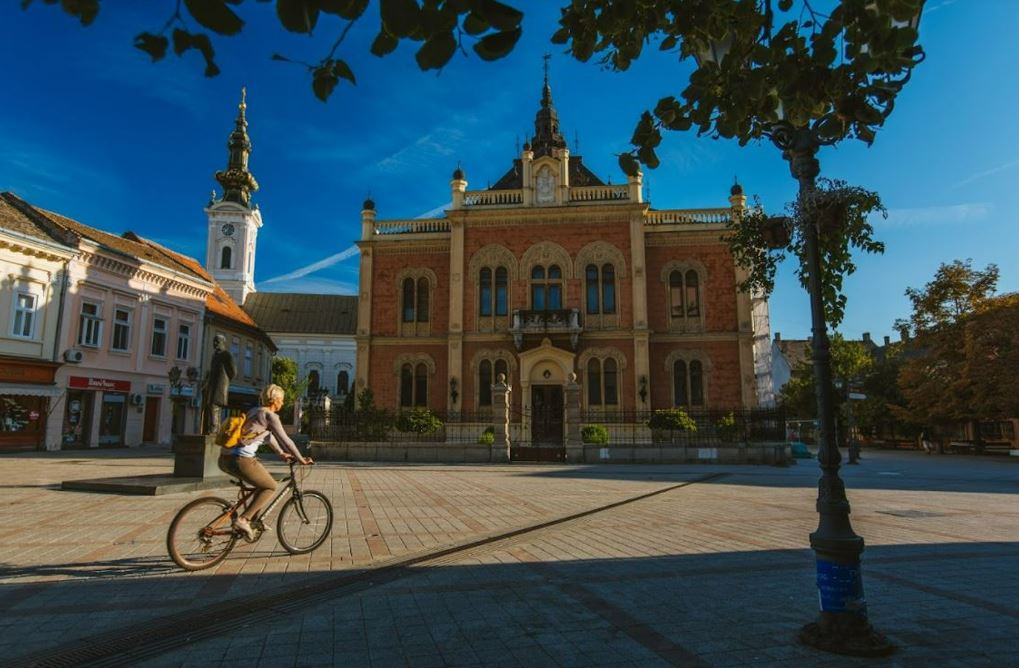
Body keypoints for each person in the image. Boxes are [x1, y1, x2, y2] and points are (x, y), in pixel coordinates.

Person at [218, 384, 313, 540]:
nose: (282, 403)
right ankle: (243, 520)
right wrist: (301, 459)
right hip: (241, 459)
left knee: (261, 482)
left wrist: (281, 453)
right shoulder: (270, 415)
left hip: (225, 458)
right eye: (281, 400)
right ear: (274, 400)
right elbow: (287, 440)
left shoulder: (254, 411)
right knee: (270, 486)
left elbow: (266, 436)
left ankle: (255, 522)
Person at [201, 333, 236, 435]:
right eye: (214, 341)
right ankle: (214, 429)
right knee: (212, 407)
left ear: (223, 343)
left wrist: (225, 381)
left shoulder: (226, 355)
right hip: (213, 386)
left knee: (214, 406)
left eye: (217, 341)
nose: (215, 343)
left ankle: (214, 430)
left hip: (220, 386)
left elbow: (233, 371)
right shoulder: (215, 356)